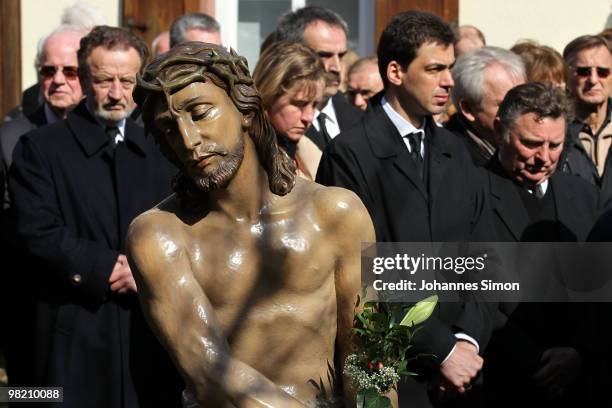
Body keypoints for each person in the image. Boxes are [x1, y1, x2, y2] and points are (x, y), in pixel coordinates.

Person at [129, 41, 376, 407]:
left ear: (244, 107)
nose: (189, 140)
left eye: (200, 112)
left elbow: (370, 360)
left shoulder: (337, 213)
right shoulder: (160, 235)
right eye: (169, 129)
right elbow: (210, 372)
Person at [316, 11, 494, 407]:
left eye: (450, 68)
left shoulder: (457, 152)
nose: (449, 80)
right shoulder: (351, 155)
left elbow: (483, 257)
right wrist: (442, 351)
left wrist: (466, 341)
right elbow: (366, 268)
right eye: (434, 69)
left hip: (465, 375)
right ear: (395, 71)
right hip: (393, 373)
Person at [9, 26, 181, 407]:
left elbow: (186, 226)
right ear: (85, 79)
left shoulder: (161, 150)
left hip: (148, 335)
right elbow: (37, 231)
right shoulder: (40, 149)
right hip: (72, 331)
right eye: (104, 80)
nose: (116, 93)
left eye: (126, 80)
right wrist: (105, 267)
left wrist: (150, 270)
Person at [483, 82, 598, 407]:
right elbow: (469, 288)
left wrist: (579, 351)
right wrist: (537, 361)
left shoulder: (583, 194)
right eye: (531, 143)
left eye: (555, 145)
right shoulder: (469, 193)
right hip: (504, 379)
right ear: (499, 131)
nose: (543, 158)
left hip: (578, 379)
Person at [276, 6, 363, 150]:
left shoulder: (360, 118)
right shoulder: (271, 122)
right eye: (324, 55)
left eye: (341, 56)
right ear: (291, 55)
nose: (337, 67)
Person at [253, 41, 326, 180]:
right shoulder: (240, 156)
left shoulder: (310, 151)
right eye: (299, 104)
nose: (309, 117)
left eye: (315, 105)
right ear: (268, 95)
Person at [446, 46, 526, 166]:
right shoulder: (449, 160)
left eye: (524, 101)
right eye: (506, 104)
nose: (521, 112)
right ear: (468, 109)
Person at [559, 35, 612, 206]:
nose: (593, 80)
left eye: (603, 72)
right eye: (583, 72)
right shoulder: (554, 130)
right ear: (566, 76)